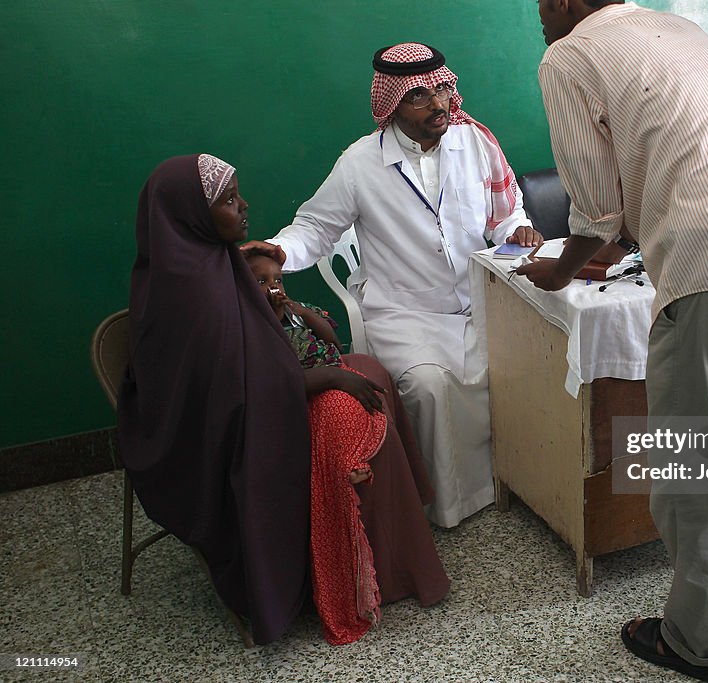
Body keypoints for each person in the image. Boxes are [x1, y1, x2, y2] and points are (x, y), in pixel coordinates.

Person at [524, 3, 708, 681]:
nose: (539, 14)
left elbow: (597, 214)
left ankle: (695, 639)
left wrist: (558, 271)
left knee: (694, 469)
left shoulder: (569, 56)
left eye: (542, 1)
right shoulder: (681, 30)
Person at [243, 42, 543, 528]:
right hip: (405, 311)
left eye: (444, 90)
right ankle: (452, 505)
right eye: (420, 97)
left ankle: (514, 481)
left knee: (528, 363)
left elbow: (507, 214)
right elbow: (316, 229)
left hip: (480, 300)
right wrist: (280, 251)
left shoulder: (476, 143)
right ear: (391, 103)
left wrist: (517, 233)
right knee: (429, 385)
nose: (439, 104)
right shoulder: (360, 163)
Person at [118, 154, 310, 645]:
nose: (244, 207)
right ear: (189, 215)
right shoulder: (193, 292)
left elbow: (257, 366)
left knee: (362, 395)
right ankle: (302, 582)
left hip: (254, 404)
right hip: (207, 440)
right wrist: (323, 377)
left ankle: (342, 570)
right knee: (340, 422)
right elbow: (230, 394)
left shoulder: (214, 261)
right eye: (228, 200)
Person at [245, 252, 450, 644]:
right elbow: (279, 375)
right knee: (352, 406)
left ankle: (404, 499)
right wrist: (333, 376)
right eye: (260, 282)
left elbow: (332, 339)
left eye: (277, 280)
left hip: (330, 365)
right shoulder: (255, 327)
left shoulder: (293, 314)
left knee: (375, 372)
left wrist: (300, 311)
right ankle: (354, 471)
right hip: (302, 393)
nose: (273, 288)